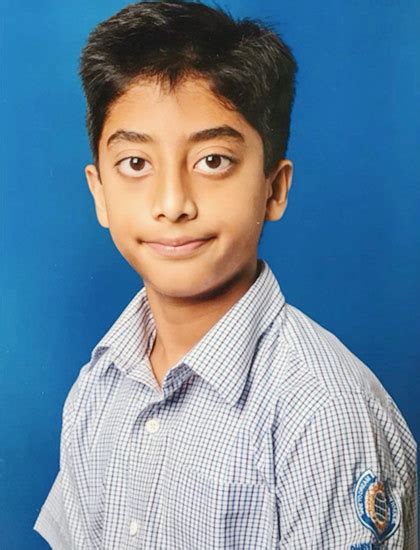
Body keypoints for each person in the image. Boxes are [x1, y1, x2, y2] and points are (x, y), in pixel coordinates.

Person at [34, 1, 417, 548]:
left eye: (212, 161)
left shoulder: (324, 412)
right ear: (99, 192)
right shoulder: (98, 387)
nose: (172, 203)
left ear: (274, 188)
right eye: (136, 164)